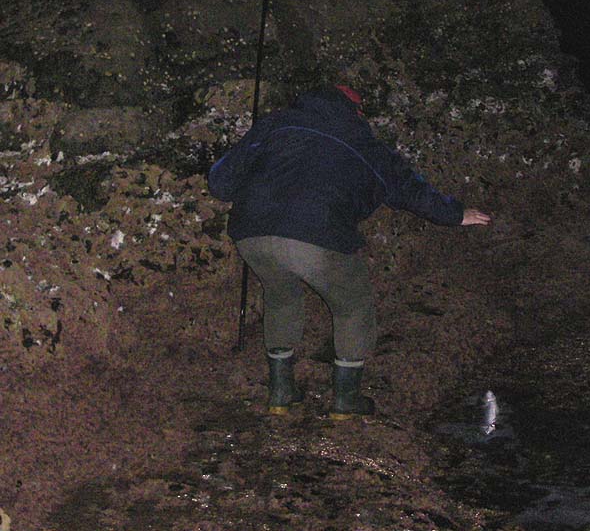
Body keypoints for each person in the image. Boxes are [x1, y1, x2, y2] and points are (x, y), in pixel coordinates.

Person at [208, 86, 491, 419]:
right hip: (315, 232)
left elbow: (220, 183)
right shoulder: (362, 141)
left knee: (281, 298)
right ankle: (346, 400)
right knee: (353, 306)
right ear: (355, 111)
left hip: (251, 234)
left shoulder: (274, 124)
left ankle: (281, 392)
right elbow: (408, 188)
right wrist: (455, 214)